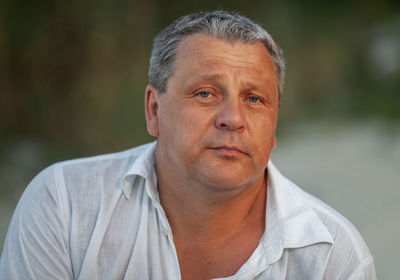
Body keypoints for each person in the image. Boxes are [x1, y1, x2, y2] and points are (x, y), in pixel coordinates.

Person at [0, 11, 376, 280]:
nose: (232, 117)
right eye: (205, 93)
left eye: (255, 99)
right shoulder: (64, 207)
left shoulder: (332, 258)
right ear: (153, 110)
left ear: (274, 127)